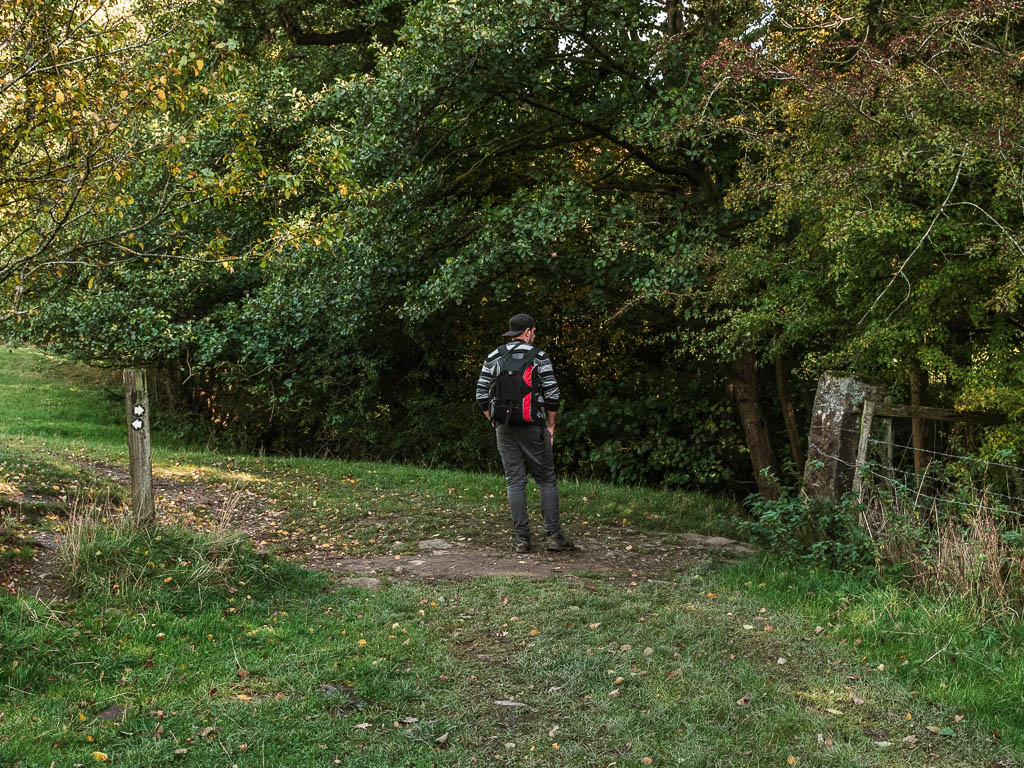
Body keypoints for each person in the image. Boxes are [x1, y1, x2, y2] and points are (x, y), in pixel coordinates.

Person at [476, 313, 575, 553]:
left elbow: (481, 395)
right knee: (546, 479)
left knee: (514, 481)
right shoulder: (539, 356)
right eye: (534, 332)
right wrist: (551, 426)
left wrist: (494, 421)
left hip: (505, 427)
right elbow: (552, 395)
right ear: (528, 331)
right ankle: (553, 537)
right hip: (534, 426)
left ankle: (521, 540)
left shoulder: (494, 356)